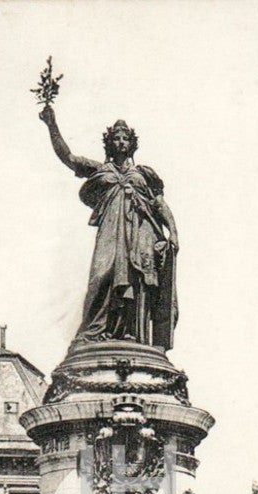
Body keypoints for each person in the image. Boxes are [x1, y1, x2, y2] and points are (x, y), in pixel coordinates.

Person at [39, 104, 179, 350]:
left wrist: (173, 231)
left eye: (126, 138)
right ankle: (95, 331)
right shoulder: (101, 169)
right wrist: (52, 125)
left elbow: (159, 204)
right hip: (110, 233)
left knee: (136, 282)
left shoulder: (143, 174)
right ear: (109, 142)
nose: (121, 141)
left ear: (132, 143)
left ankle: (131, 334)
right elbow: (69, 158)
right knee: (102, 275)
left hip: (140, 235)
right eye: (116, 137)